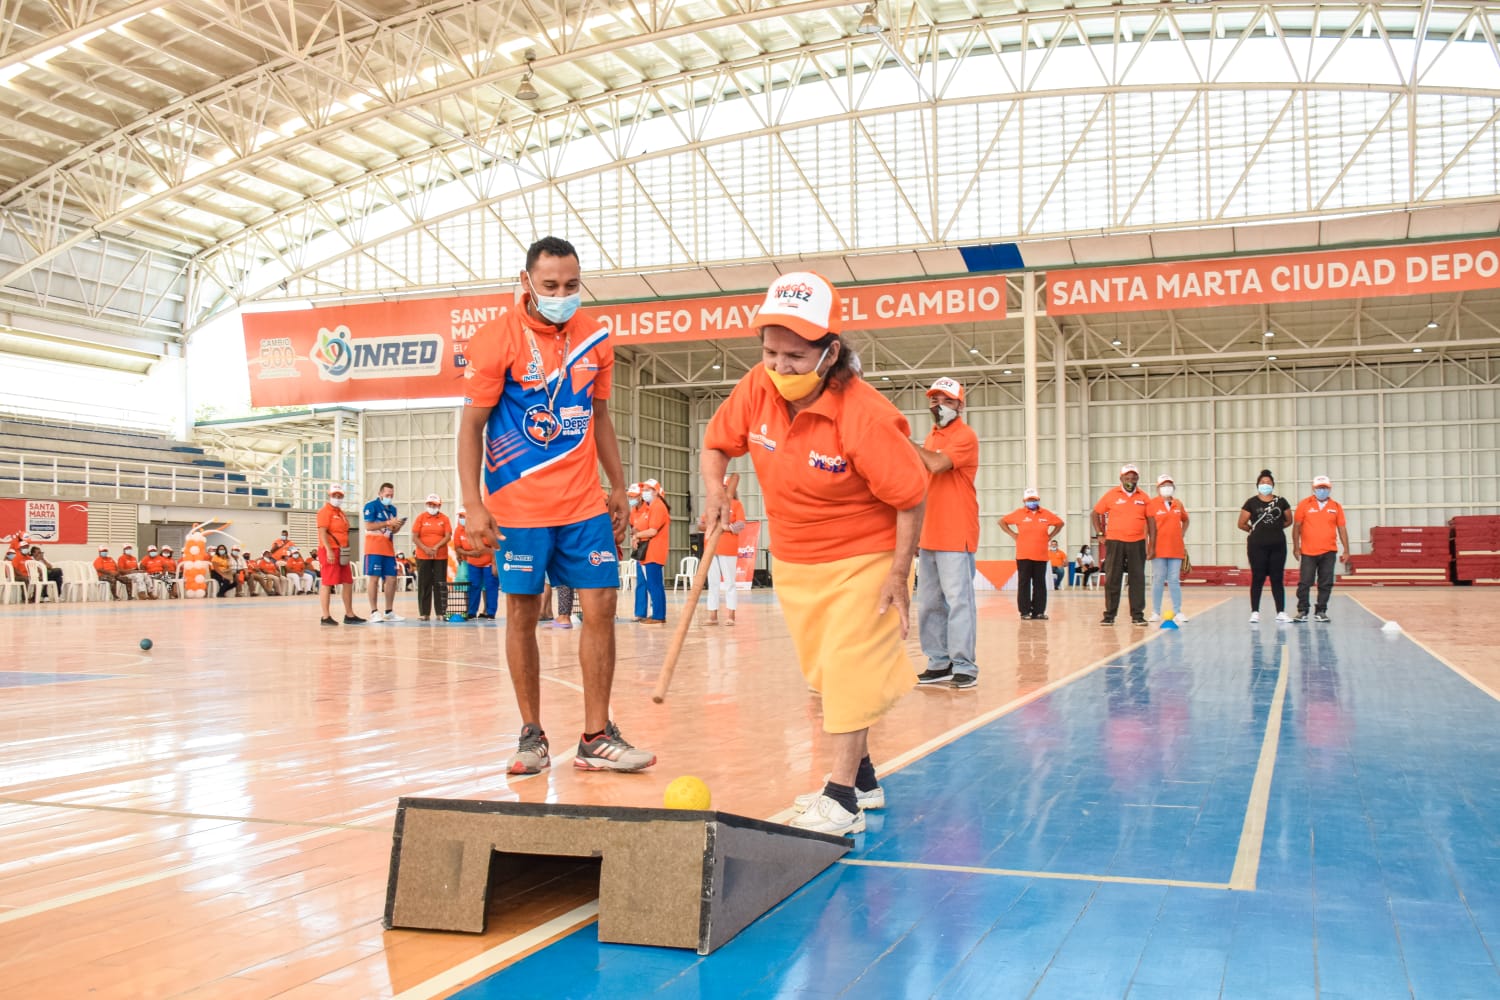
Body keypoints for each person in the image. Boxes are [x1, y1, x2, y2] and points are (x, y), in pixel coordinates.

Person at [701, 270, 927, 835]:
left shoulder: (865, 416)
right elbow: (716, 444)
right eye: (771, 353)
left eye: (796, 356)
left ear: (830, 352)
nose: (780, 367)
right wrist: (714, 491)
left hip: (865, 556)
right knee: (827, 674)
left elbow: (911, 495)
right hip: (796, 558)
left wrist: (899, 572)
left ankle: (841, 797)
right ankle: (865, 778)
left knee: (850, 670)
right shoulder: (757, 387)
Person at [456, 234, 654, 774]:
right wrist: (473, 504)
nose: (562, 295)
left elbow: (601, 417)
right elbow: (471, 428)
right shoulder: (494, 341)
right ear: (526, 282)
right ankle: (531, 736)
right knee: (522, 612)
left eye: (571, 285)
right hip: (517, 507)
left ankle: (596, 736)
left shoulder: (595, 338)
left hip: (584, 505)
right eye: (550, 285)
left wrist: (618, 486)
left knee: (602, 607)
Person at [913, 376, 981, 687]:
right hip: (929, 532)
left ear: (960, 405)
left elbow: (938, 465)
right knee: (929, 603)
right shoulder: (931, 437)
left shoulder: (965, 436)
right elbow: (924, 484)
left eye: (947, 400)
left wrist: (904, 443)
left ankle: (964, 665)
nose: (939, 405)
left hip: (956, 532)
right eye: (935, 399)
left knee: (958, 601)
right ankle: (939, 661)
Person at [1093, 463, 1151, 625]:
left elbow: (1151, 520)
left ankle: (1137, 615)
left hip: (1137, 542)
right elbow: (1095, 514)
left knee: (1137, 579)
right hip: (1115, 542)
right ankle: (1109, 615)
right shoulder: (1111, 495)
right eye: (1127, 477)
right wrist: (1100, 534)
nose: (1130, 480)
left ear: (1138, 478)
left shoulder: (1144, 497)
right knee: (1113, 578)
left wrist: (1150, 542)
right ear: (1121, 478)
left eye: (1133, 477)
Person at [999, 488, 1065, 621]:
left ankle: (1039, 611)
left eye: (1034, 500)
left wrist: (1050, 536)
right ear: (1024, 501)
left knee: (1040, 584)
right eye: (1029, 500)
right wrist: (1013, 534)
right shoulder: (1019, 513)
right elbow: (1002, 522)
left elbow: (1060, 523)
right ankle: (1024, 611)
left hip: (1041, 555)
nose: (1032, 502)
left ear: (1038, 500)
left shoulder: (1045, 514)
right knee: (1024, 583)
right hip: (1023, 555)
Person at [1292, 475, 1350, 623]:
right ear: (1313, 488)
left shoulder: (1336, 506)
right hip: (1308, 551)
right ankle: (1302, 610)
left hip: (1329, 551)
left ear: (1330, 489)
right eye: (1319, 488)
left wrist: (1346, 550)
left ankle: (1321, 611)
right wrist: (1296, 547)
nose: (1322, 490)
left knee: (1326, 582)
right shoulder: (1304, 504)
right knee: (1305, 582)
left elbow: (1342, 528)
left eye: (1325, 488)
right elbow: (1297, 526)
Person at [1238, 469, 1293, 624]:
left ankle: (1281, 612)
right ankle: (1255, 612)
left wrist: (1275, 528)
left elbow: (1289, 520)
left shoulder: (1281, 501)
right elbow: (1241, 523)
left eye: (1268, 482)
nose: (1265, 484)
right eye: (1262, 482)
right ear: (1257, 485)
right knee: (1258, 577)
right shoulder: (1251, 502)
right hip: (1257, 547)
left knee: (1277, 578)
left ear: (1273, 485)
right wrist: (1254, 530)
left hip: (1278, 546)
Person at [699, 475, 746, 626]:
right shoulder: (711, 506)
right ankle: (712, 615)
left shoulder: (736, 505)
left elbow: (741, 524)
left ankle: (731, 615)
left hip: (728, 548)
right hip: (711, 548)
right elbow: (701, 524)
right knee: (713, 583)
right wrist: (711, 525)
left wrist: (726, 527)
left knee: (729, 582)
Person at [317, 484, 364, 625]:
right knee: (327, 582)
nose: (337, 498)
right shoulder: (325, 512)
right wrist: (329, 550)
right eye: (335, 495)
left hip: (342, 551)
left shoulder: (341, 513)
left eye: (340, 496)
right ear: (329, 496)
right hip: (330, 550)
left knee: (348, 581)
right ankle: (325, 616)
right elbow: (322, 533)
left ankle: (349, 614)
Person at [1146, 474, 1190, 622]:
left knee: (1174, 580)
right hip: (1158, 548)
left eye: (1169, 485)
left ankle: (1178, 611)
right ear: (1158, 488)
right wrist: (1149, 546)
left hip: (1176, 548)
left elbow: (1186, 520)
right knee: (1158, 579)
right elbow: (1147, 526)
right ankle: (1155, 612)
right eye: (1164, 485)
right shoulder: (1152, 504)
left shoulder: (1178, 504)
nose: (1167, 488)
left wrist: (1181, 533)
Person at [362, 482, 407, 622]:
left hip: (388, 548)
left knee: (392, 578)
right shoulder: (371, 506)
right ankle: (374, 611)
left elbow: (392, 530)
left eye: (392, 495)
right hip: (373, 548)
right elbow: (368, 526)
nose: (389, 497)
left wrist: (398, 526)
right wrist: (387, 523)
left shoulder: (392, 509)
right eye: (387, 495)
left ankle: (389, 611)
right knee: (374, 578)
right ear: (380, 493)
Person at [630, 477, 669, 623]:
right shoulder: (652, 506)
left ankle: (659, 616)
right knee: (653, 584)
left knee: (654, 584)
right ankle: (658, 614)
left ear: (656, 492)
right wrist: (637, 536)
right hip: (649, 551)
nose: (644, 493)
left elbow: (652, 531)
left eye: (647, 490)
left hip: (654, 551)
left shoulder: (657, 506)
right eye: (644, 490)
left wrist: (637, 536)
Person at [411, 493, 453, 621]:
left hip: (440, 556)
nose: (431, 506)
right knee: (424, 583)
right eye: (429, 504)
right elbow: (415, 537)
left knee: (440, 583)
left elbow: (448, 536)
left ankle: (441, 612)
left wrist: (436, 547)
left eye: (434, 505)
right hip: (423, 556)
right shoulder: (421, 518)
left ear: (439, 506)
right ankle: (424, 613)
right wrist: (425, 549)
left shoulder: (444, 519)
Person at [454, 506, 498, 620]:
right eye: (460, 516)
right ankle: (472, 612)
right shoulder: (459, 530)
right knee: (474, 586)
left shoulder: (481, 528)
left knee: (490, 586)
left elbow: (494, 547)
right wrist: (470, 553)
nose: (461, 518)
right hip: (473, 563)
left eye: (463, 516)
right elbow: (458, 547)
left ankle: (491, 612)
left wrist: (494, 563)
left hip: (488, 562)